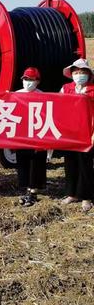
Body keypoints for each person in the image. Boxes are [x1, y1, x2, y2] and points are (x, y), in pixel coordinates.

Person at [60, 58, 94, 212]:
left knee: (85, 165)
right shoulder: (66, 88)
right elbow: (56, 105)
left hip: (87, 133)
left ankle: (86, 196)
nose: (79, 74)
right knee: (70, 163)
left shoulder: (93, 90)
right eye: (76, 72)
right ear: (71, 74)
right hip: (70, 133)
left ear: (88, 74)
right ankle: (71, 193)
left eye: (82, 72)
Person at [15, 67, 47, 207]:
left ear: (37, 81)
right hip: (22, 136)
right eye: (26, 79)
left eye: (31, 80)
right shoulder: (16, 95)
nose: (28, 82)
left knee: (36, 163)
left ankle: (33, 191)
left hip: (37, 136)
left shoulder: (43, 96)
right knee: (22, 161)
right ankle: (24, 188)